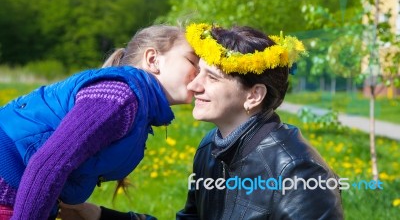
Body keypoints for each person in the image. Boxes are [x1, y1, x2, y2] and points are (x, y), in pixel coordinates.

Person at [58, 23, 344, 220]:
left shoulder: (297, 170)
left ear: (254, 95)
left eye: (212, 78)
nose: (194, 86)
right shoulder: (210, 148)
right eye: (198, 72)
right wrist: (97, 215)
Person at [0, 24, 199, 220]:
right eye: (192, 61)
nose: (200, 73)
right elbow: (47, 165)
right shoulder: (120, 96)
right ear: (153, 59)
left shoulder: (138, 106)